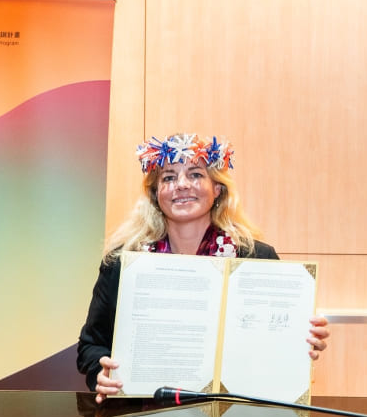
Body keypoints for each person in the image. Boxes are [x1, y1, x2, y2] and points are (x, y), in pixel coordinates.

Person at [77, 133, 330, 403]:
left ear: (217, 189)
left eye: (196, 175)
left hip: (234, 413)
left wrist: (302, 341)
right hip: (142, 413)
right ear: (155, 194)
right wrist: (101, 373)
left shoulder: (256, 258)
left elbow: (277, 343)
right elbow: (91, 346)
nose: (182, 185)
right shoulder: (123, 264)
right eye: (169, 178)